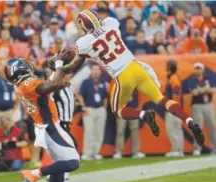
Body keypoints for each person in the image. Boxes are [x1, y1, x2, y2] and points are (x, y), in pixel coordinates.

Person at [54, 9, 204, 148]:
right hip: (136, 67)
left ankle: (144, 114)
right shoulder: (111, 23)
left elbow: (73, 66)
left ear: (83, 26)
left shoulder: (84, 42)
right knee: (162, 100)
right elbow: (105, 23)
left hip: (122, 75)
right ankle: (189, 121)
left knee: (117, 110)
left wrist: (59, 64)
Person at [4, 57, 80, 182]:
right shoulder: (28, 84)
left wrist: (55, 70)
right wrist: (58, 65)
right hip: (50, 126)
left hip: (44, 127)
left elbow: (48, 86)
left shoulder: (22, 85)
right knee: (73, 162)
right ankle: (34, 174)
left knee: (59, 164)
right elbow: (55, 85)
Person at [51, 71, 77, 182]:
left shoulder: (69, 87)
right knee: (69, 152)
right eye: (65, 74)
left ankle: (56, 177)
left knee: (65, 153)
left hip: (67, 124)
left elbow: (70, 104)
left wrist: (80, 107)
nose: (69, 76)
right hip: (60, 124)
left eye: (69, 74)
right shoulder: (56, 90)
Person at [78, 63, 108, 160]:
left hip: (100, 109)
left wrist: (104, 108)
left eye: (98, 70)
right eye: (94, 70)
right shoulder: (86, 82)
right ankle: (87, 153)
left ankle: (96, 152)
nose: (96, 72)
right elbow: (79, 95)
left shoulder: (103, 82)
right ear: (91, 71)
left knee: (99, 132)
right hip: (89, 109)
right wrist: (83, 107)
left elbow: (106, 96)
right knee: (89, 132)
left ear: (100, 72)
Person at [187, 63, 216, 155]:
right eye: (196, 69)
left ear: (203, 70)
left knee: (211, 126)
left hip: (208, 104)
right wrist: (205, 89)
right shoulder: (192, 79)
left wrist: (201, 90)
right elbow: (193, 92)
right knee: (198, 127)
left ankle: (214, 147)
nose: (197, 70)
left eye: (199, 69)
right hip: (197, 105)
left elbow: (213, 90)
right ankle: (197, 148)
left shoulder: (209, 78)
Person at [113, 89, 144, 159]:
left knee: (135, 130)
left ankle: (136, 151)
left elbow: (139, 97)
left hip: (133, 109)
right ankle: (118, 152)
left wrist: (139, 106)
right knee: (120, 131)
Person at [164, 60, 184, 157]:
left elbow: (176, 92)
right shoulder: (173, 77)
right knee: (175, 129)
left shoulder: (174, 78)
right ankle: (178, 149)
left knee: (172, 129)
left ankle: (177, 149)